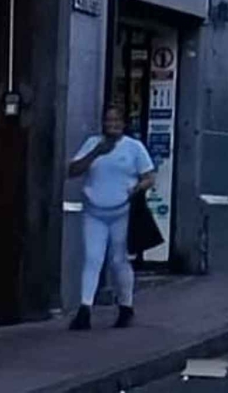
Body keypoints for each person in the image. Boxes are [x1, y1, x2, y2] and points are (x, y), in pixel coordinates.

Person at [67, 105, 156, 330]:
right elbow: (73, 170)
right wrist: (97, 151)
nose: (112, 125)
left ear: (123, 124)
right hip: (94, 211)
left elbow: (149, 176)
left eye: (116, 121)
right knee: (92, 258)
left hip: (122, 211)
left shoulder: (134, 148)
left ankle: (126, 306)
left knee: (119, 260)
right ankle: (85, 309)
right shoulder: (92, 143)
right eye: (108, 121)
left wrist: (137, 188)